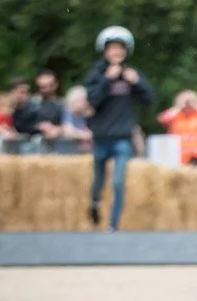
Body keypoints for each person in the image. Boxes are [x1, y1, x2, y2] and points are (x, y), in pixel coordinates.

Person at [83, 25, 155, 231]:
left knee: (117, 182)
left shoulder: (131, 74)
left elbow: (149, 99)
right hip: (101, 137)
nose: (116, 52)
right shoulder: (97, 73)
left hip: (122, 138)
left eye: (120, 48)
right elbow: (92, 99)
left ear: (126, 50)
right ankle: (94, 203)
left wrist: (137, 83)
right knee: (98, 181)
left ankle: (113, 224)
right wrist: (107, 79)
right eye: (112, 48)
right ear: (104, 50)